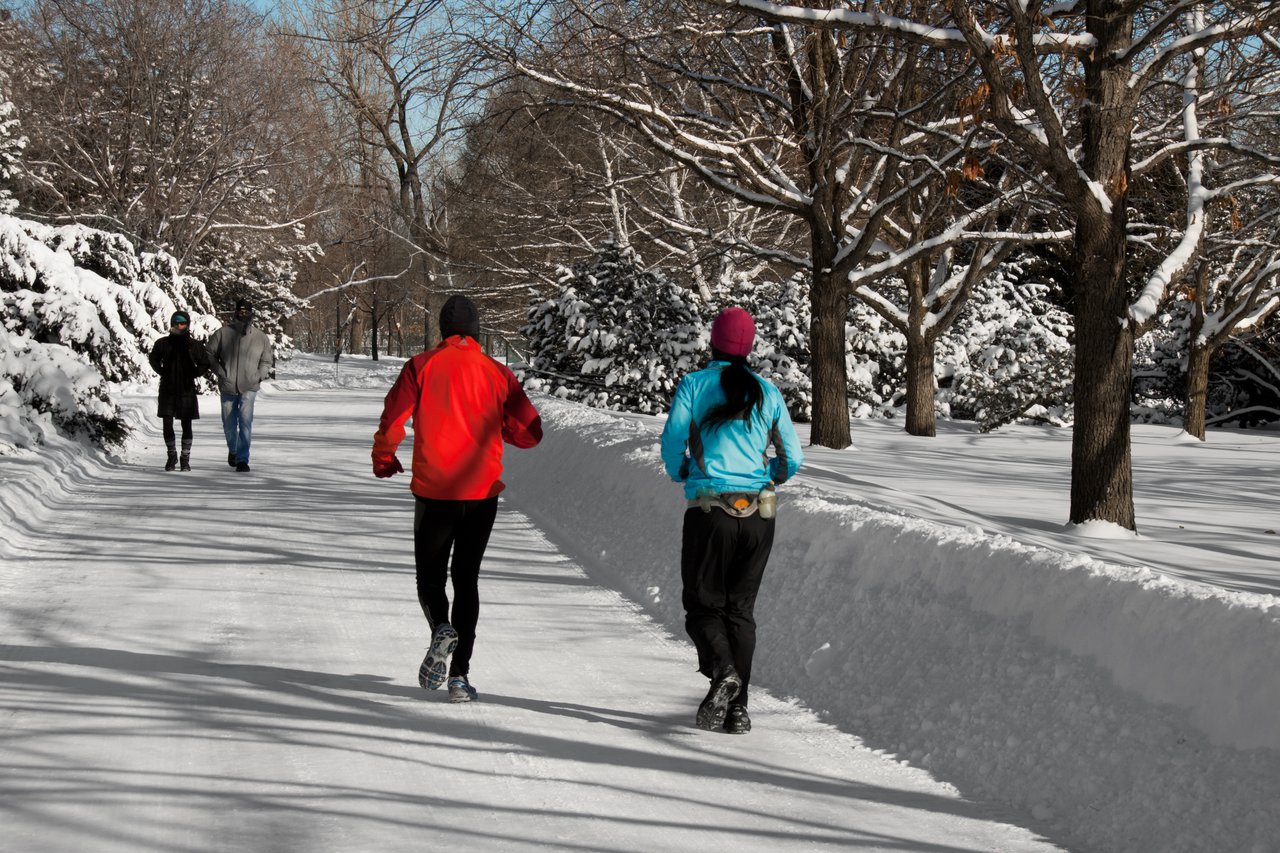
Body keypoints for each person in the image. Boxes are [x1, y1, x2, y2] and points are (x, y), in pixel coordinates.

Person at [372, 294, 542, 703]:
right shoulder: (498, 372)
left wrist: (384, 456)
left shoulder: (421, 365)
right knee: (466, 579)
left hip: (434, 491)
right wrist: (500, 429)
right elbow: (530, 432)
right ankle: (460, 677)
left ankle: (440, 629)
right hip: (481, 494)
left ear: (443, 330)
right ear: (477, 331)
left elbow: (394, 418)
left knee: (430, 577)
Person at [659, 306, 803, 734]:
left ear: (713, 342)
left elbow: (672, 441)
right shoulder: (768, 392)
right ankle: (738, 710)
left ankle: (723, 673)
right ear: (750, 346)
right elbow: (792, 457)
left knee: (703, 605)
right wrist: (774, 474)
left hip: (709, 509)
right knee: (740, 610)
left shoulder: (695, 384)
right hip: (760, 514)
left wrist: (681, 469)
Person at [206, 298, 273, 473]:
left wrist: (259, 375)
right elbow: (209, 353)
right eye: (240, 311)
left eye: (247, 312)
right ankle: (233, 450)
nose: (243, 314)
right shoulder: (222, 333)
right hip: (228, 385)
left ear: (252, 314)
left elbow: (266, 360)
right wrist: (221, 372)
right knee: (228, 424)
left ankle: (243, 459)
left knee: (245, 422)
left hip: (249, 386)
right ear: (235, 312)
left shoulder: (260, 337)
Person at [148, 310, 211, 471]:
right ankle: (171, 455)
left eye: (182, 322)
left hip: (186, 389)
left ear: (187, 324)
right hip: (167, 388)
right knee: (167, 424)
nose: (178, 325)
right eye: (175, 322)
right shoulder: (163, 343)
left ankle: (185, 458)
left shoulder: (194, 345)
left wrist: (194, 373)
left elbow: (204, 362)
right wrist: (162, 371)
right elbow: (153, 358)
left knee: (186, 425)